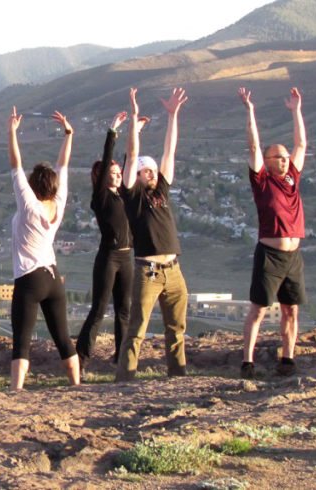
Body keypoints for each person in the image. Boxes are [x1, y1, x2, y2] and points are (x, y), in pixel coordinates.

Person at [115, 87, 189, 382]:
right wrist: (134, 120)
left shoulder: (162, 190)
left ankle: (178, 376)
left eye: (154, 170)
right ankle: (125, 380)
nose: (153, 173)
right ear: (136, 175)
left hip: (174, 270)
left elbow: (170, 150)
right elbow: (132, 154)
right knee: (137, 329)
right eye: (147, 171)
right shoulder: (132, 196)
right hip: (148, 271)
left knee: (177, 328)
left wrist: (173, 116)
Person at [238, 87, 308, 379]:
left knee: (291, 309)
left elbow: (301, 144)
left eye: (284, 156)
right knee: (259, 309)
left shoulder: (292, 177)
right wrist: (250, 111)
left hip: (293, 257)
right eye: (277, 156)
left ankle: (287, 359)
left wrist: (296, 110)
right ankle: (247, 362)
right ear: (267, 161)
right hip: (269, 255)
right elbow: (253, 146)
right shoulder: (261, 181)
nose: (283, 159)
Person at [7, 107, 79, 390]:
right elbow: (64, 166)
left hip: (30, 278)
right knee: (63, 338)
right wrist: (69, 134)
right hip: (53, 277)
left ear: (34, 185)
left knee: (21, 340)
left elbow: (15, 164)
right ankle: (76, 385)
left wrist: (11, 132)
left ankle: (16, 390)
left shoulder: (28, 204)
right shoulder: (58, 203)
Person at [75, 111, 133, 368]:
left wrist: (136, 134)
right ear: (102, 176)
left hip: (126, 257)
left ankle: (120, 359)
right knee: (99, 310)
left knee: (124, 310)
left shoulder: (122, 194)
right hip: (108, 258)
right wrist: (113, 131)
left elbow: (128, 161)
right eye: (113, 172)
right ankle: (81, 359)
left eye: (119, 172)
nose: (118, 174)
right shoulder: (101, 197)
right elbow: (110, 156)